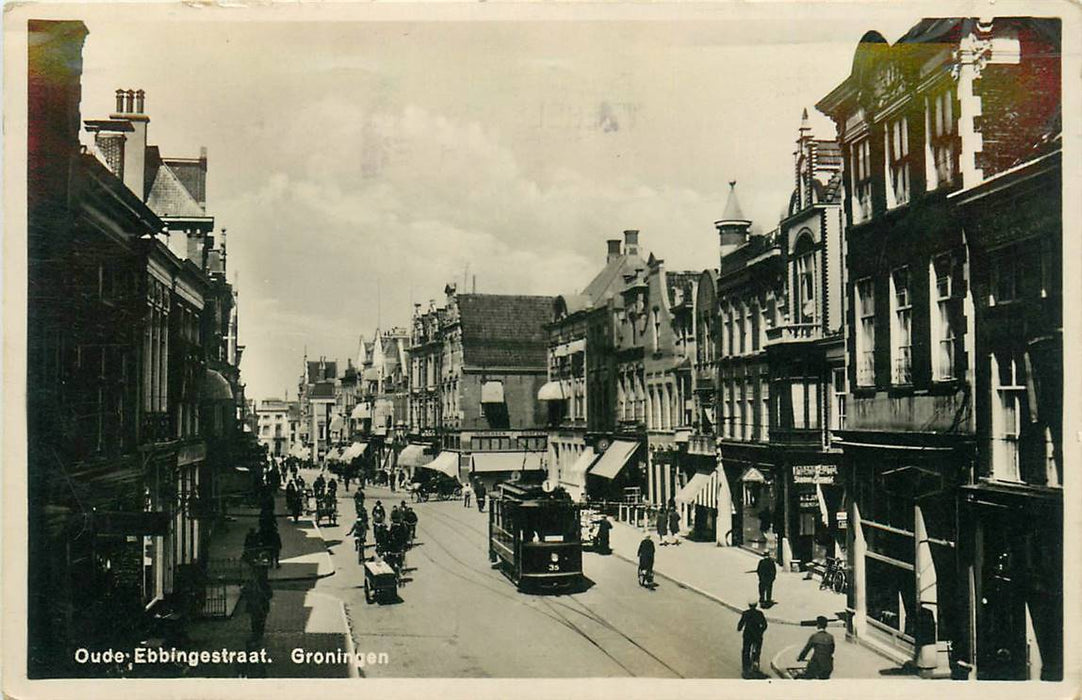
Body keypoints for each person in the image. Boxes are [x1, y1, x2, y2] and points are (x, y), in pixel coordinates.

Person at [737, 598, 768, 678]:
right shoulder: (760, 613)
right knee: (757, 651)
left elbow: (741, 624)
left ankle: (746, 668)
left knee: (746, 651)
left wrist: (739, 628)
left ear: (749, 605)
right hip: (757, 635)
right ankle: (755, 665)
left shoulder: (745, 613)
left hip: (748, 635)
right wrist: (760, 631)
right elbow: (764, 625)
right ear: (756, 605)